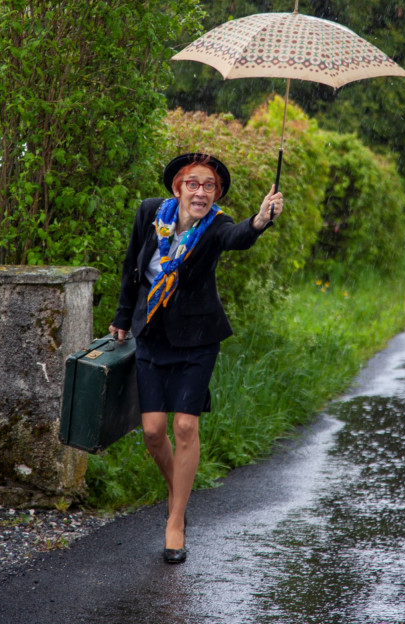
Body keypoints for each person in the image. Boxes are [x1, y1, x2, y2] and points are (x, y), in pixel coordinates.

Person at [109, 152, 283, 564]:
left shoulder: (216, 226)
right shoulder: (151, 214)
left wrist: (261, 220)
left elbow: (238, 236)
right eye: (193, 184)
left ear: (216, 194)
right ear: (178, 187)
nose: (201, 192)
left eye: (209, 186)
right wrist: (121, 316)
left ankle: (176, 521)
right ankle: (179, 493)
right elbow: (132, 266)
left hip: (198, 338)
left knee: (185, 425)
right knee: (153, 432)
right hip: (150, 331)